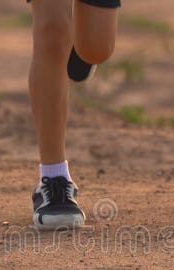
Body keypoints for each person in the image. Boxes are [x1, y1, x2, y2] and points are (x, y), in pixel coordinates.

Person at [27, 0, 120, 230]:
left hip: (91, 48)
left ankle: (78, 51)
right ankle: (54, 179)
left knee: (97, 47)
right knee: (52, 29)